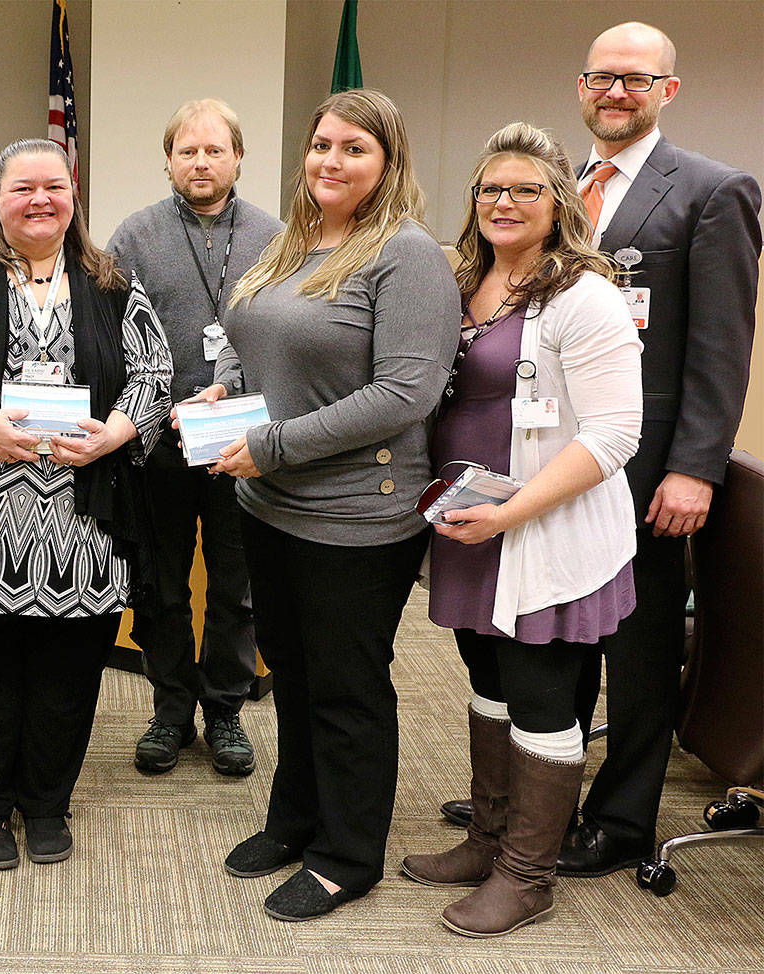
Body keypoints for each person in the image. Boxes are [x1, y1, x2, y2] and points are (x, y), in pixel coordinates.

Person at [436, 23, 764, 879]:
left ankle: (621, 819)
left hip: (646, 466)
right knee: (555, 644)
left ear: (668, 90)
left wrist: (695, 465)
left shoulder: (711, 189)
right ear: (581, 88)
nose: (615, 92)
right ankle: (541, 798)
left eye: (634, 79)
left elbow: (721, 344)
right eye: (600, 78)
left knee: (640, 648)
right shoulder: (558, 184)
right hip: (546, 455)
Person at [209, 90, 459, 921]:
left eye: (354, 148)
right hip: (269, 505)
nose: (330, 161)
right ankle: (296, 819)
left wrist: (273, 442)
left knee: (347, 689)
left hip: (356, 516)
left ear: (388, 160)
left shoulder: (407, 254)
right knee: (295, 675)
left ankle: (349, 855)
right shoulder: (298, 240)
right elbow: (267, 349)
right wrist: (231, 395)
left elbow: (405, 394)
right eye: (321, 145)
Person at [0, 139, 172, 870]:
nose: (39, 199)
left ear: (73, 193)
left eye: (53, 186)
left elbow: (153, 372)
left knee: (67, 676)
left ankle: (48, 803)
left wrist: (116, 433)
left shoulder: (111, 280)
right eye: (23, 188)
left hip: (85, 521)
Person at [400, 123, 643, 938]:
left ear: (559, 202)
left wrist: (510, 513)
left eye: (525, 190)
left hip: (544, 530)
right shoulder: (460, 279)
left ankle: (527, 875)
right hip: (470, 527)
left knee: (541, 696)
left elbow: (613, 435)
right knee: (486, 679)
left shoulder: (585, 294)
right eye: (489, 189)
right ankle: (488, 837)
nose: (503, 202)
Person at [108, 98, 282, 778]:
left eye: (215, 150)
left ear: (238, 157)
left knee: (236, 586)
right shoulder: (133, 236)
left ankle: (227, 711)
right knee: (162, 584)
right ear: (169, 160)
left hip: (244, 446)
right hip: (160, 443)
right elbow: (111, 338)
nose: (201, 162)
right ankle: (171, 707)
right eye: (188, 150)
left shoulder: (276, 238)